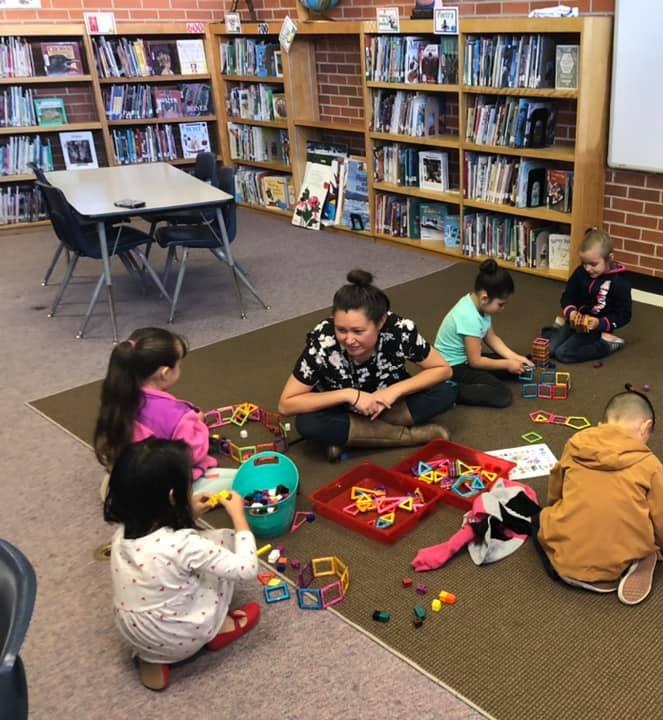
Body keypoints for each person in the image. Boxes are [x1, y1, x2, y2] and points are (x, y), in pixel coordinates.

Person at [104, 439, 260, 691]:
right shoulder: (183, 544)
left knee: (170, 577)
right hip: (182, 634)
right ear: (173, 497)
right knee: (224, 541)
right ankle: (219, 628)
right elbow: (246, 568)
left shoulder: (121, 535)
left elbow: (161, 556)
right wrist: (239, 517)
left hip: (138, 634)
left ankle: (154, 658)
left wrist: (189, 513)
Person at [278, 269, 455, 462]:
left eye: (358, 331)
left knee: (446, 391)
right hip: (342, 409)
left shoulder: (400, 331)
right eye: (341, 330)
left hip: (388, 404)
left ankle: (353, 438)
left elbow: (443, 369)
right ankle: (409, 436)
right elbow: (286, 404)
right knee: (307, 423)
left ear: (381, 322)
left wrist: (392, 391)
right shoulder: (323, 340)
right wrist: (350, 395)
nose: (349, 339)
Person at [535, 388, 663, 605]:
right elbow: (662, 519)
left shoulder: (575, 443)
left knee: (539, 518)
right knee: (645, 533)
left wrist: (561, 512)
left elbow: (555, 489)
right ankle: (635, 561)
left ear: (605, 422)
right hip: (610, 572)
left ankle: (573, 564)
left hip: (562, 563)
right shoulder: (650, 464)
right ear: (645, 427)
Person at [93, 327, 235, 499]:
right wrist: (199, 426)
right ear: (165, 373)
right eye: (179, 365)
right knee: (236, 479)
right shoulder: (177, 415)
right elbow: (194, 454)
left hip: (126, 475)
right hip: (160, 488)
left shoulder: (118, 396)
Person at [434, 259, 532, 408]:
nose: (503, 309)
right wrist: (507, 363)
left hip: (469, 358)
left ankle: (486, 376)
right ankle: (449, 389)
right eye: (501, 304)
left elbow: (492, 338)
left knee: (520, 369)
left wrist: (515, 357)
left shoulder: (481, 306)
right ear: (485, 298)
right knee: (502, 395)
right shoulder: (468, 316)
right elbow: (476, 362)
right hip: (454, 367)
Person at [543, 227, 632, 364]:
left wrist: (600, 323)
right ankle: (559, 327)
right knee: (550, 350)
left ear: (610, 258)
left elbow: (624, 314)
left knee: (563, 354)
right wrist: (571, 312)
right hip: (575, 321)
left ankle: (607, 344)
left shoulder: (620, 283)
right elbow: (568, 296)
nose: (588, 268)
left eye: (593, 264)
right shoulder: (580, 272)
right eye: (584, 263)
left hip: (596, 328)